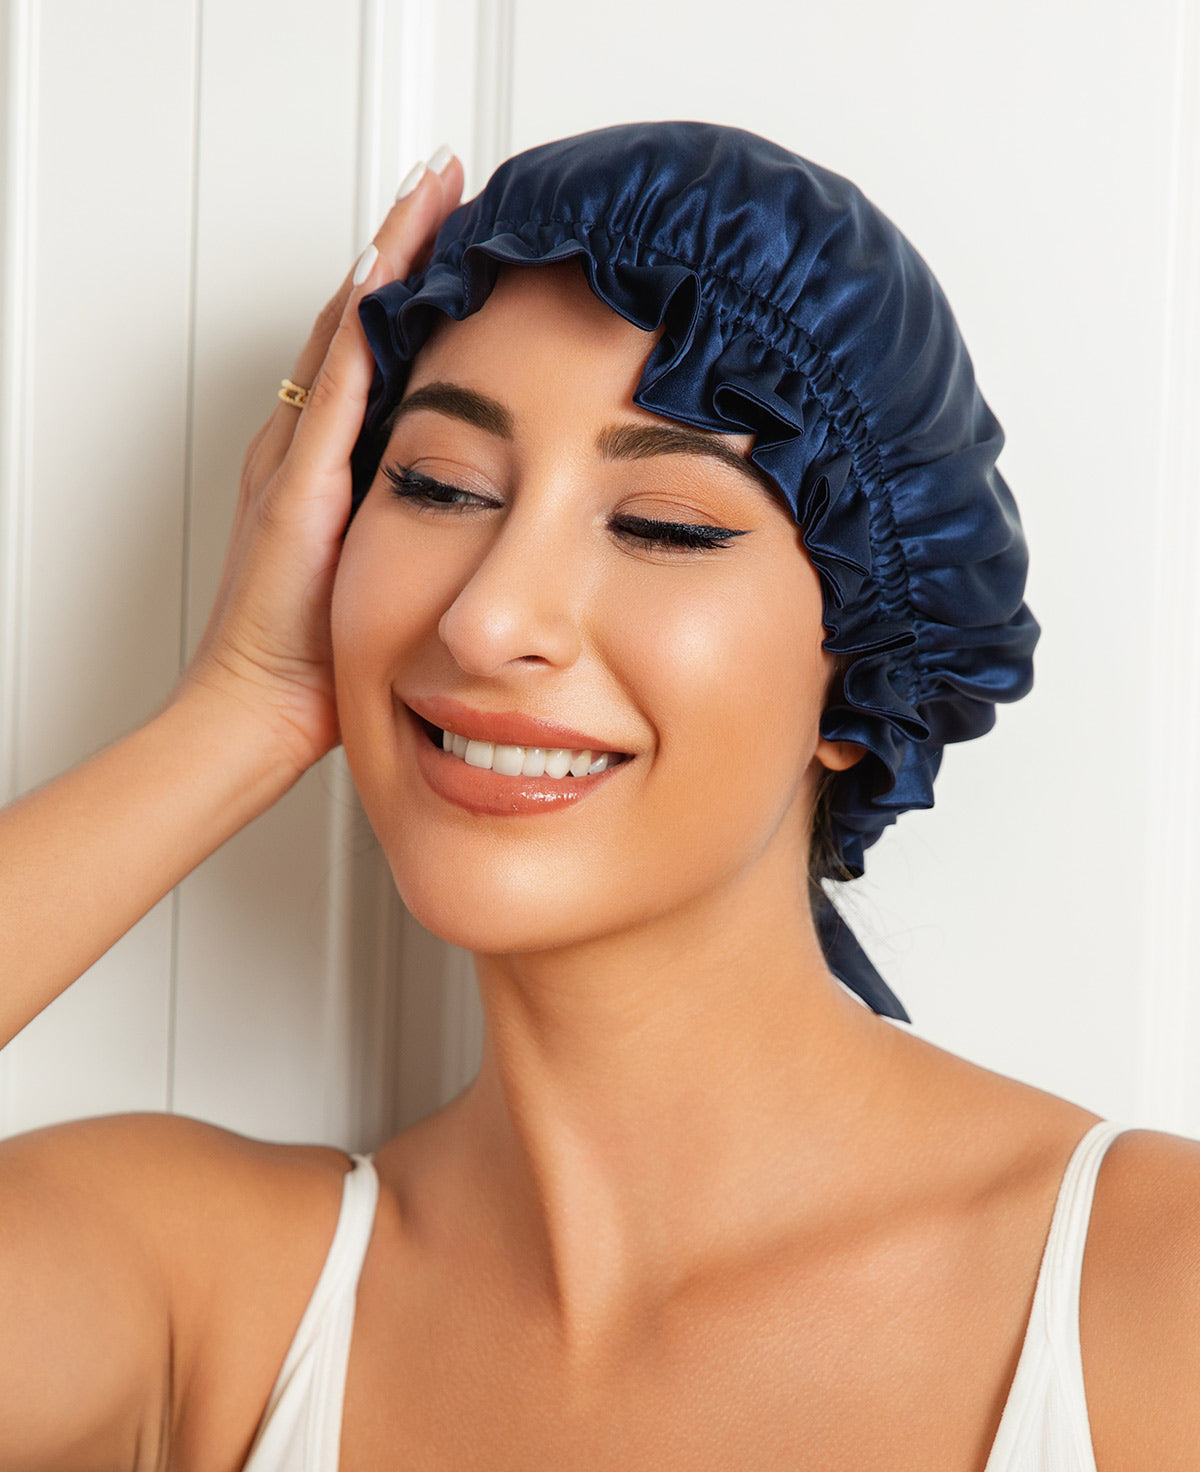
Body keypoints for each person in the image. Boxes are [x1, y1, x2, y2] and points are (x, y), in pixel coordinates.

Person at [0, 122, 1197, 1472]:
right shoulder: (204, 1298)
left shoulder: (1152, 1297)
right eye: (439, 487)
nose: (488, 616)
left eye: (664, 525)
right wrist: (242, 710)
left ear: (864, 674)